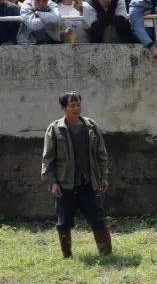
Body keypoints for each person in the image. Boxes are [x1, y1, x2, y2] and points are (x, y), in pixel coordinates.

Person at [41, 91, 112, 258]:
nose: (76, 108)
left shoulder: (91, 126)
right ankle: (67, 255)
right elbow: (47, 158)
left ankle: (106, 254)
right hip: (65, 184)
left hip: (88, 182)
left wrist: (103, 177)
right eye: (72, 105)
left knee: (98, 220)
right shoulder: (55, 129)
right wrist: (52, 183)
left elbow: (101, 154)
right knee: (64, 223)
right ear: (63, 107)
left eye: (78, 104)